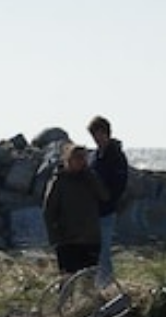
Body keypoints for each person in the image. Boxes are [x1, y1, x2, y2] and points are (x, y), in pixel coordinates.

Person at [43, 141, 106, 274]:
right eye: (77, 158)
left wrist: (91, 177)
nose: (80, 162)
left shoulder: (90, 178)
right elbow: (49, 211)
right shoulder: (59, 181)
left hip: (90, 238)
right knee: (67, 279)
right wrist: (54, 236)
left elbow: (104, 196)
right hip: (67, 240)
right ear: (68, 159)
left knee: (88, 279)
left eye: (83, 158)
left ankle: (89, 296)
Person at [87, 115, 130, 287]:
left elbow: (119, 185)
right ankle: (97, 287)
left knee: (104, 252)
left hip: (107, 210)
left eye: (98, 134)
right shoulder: (95, 156)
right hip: (92, 211)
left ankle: (108, 287)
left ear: (106, 133)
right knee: (93, 252)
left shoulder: (116, 156)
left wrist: (107, 198)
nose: (96, 139)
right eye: (93, 136)